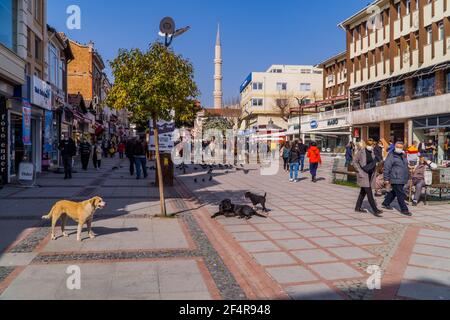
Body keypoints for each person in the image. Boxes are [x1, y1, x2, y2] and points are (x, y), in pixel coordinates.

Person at [353, 139, 383, 216]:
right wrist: (359, 171)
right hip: (363, 174)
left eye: (371, 145)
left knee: (363, 192)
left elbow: (374, 161)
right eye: (369, 145)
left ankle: (357, 207)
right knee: (369, 193)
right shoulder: (361, 152)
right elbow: (354, 162)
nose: (370, 147)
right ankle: (375, 210)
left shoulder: (372, 152)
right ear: (366, 145)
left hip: (370, 175)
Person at [382, 142, 412, 216]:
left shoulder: (403, 155)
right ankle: (404, 209)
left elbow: (404, 165)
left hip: (402, 178)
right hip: (395, 177)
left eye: (400, 147)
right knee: (400, 194)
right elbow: (386, 167)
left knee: (395, 192)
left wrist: (409, 170)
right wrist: (386, 178)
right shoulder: (391, 155)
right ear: (395, 147)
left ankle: (386, 203)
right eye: (397, 146)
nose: (399, 148)